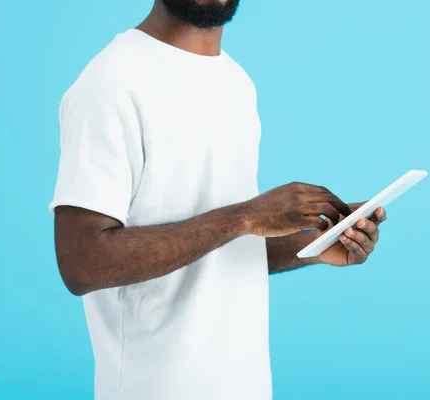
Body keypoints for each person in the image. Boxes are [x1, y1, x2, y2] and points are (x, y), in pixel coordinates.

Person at [50, 0, 387, 399]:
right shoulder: (109, 84)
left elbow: (216, 248)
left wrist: (314, 245)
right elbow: (83, 263)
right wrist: (244, 216)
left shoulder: (236, 82)